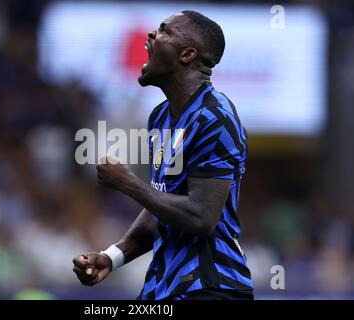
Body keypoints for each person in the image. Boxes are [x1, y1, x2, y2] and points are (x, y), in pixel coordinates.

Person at [73, 10, 253, 300]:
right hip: (162, 289)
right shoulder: (160, 118)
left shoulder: (215, 119)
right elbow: (163, 205)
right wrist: (113, 256)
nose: (152, 35)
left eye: (165, 30)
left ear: (187, 54)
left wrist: (128, 183)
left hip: (209, 288)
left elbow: (201, 217)